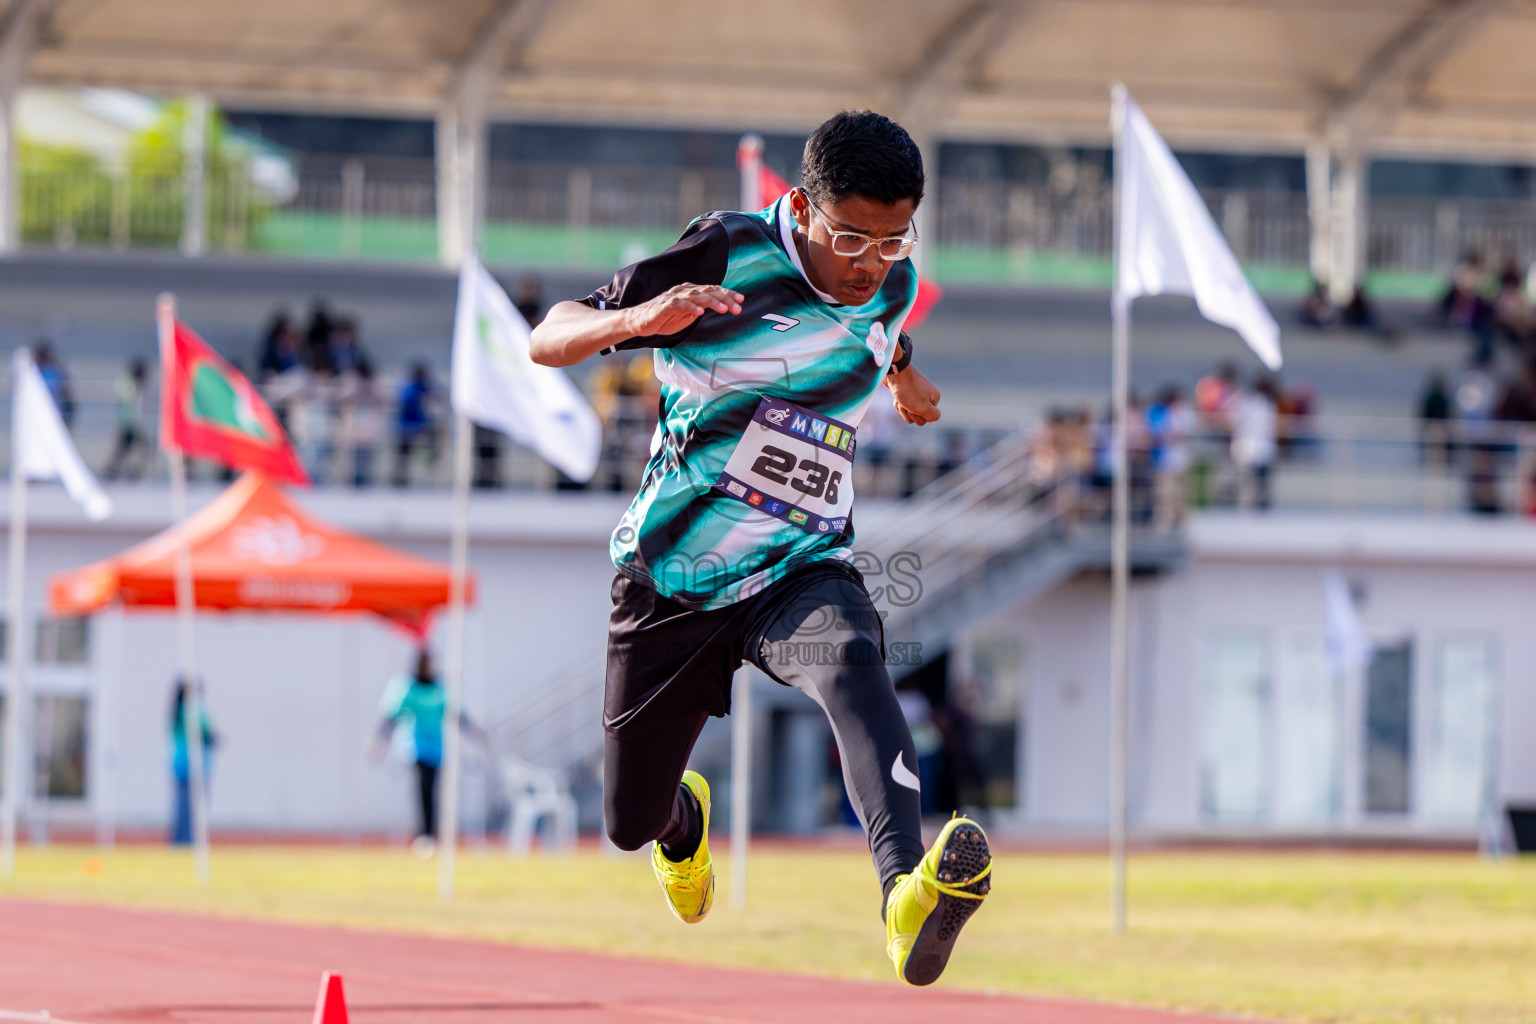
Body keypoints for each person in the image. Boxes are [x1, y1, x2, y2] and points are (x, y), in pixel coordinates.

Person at [528, 110, 991, 987]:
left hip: (797, 566)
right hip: (675, 574)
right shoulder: (723, 255)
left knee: (855, 659)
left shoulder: (889, 283)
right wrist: (639, 318)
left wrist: (905, 375)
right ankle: (682, 829)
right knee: (630, 820)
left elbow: (879, 324)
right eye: (850, 237)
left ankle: (906, 896)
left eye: (893, 241)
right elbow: (546, 336)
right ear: (802, 208)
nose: (868, 264)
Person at [372, 649, 483, 856]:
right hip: (415, 746)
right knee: (423, 788)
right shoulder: (407, 687)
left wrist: (477, 734)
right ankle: (424, 836)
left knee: (433, 791)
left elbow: (458, 713)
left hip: (437, 747)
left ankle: (430, 835)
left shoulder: (440, 687)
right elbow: (390, 715)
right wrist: (379, 742)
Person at [168, 678, 217, 846]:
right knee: (190, 806)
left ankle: (183, 838)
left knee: (185, 805)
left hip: (185, 764)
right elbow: (205, 733)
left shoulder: (180, 712)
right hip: (189, 765)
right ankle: (185, 840)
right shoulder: (188, 711)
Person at [1232, 375, 1279, 510]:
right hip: (1250, 448)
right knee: (1250, 483)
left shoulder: (1263, 404)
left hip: (1261, 449)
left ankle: (1257, 507)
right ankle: (1250, 507)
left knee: (1260, 483)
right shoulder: (1249, 404)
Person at [103, 357, 149, 481]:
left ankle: (123, 473)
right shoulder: (127, 382)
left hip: (132, 423)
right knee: (123, 452)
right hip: (127, 423)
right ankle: (113, 473)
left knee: (130, 451)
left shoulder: (132, 382)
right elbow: (128, 396)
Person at [392, 363, 437, 487]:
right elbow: (409, 403)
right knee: (403, 457)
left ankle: (426, 473)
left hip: (417, 426)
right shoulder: (410, 388)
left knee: (412, 455)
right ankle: (400, 481)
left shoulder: (422, 387)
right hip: (407, 427)